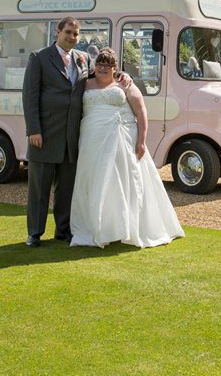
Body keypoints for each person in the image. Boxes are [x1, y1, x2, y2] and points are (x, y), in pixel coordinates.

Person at [22, 17, 129, 247]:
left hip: (73, 137)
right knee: (39, 188)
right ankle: (35, 233)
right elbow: (30, 96)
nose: (72, 37)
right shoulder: (39, 57)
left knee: (66, 189)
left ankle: (63, 230)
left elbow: (103, 75)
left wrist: (123, 76)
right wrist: (33, 130)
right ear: (58, 32)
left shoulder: (85, 58)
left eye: (76, 34)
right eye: (68, 32)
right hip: (44, 134)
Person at [70, 48, 184, 249]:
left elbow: (141, 112)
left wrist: (141, 141)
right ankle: (97, 225)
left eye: (107, 65)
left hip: (120, 138)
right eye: (99, 64)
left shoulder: (124, 83)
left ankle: (124, 227)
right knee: (93, 180)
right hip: (91, 139)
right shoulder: (84, 84)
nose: (102, 68)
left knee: (122, 181)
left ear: (115, 68)